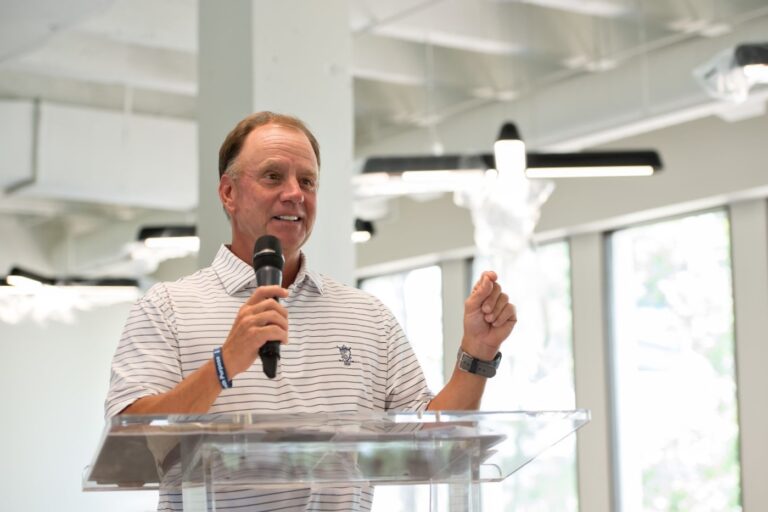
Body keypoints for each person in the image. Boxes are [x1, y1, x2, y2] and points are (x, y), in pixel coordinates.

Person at [106, 111, 517, 511]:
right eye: (273, 176)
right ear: (228, 193)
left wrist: (476, 354)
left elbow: (435, 448)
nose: (295, 193)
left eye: (307, 181)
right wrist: (224, 364)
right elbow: (134, 445)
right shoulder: (167, 309)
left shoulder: (367, 316)